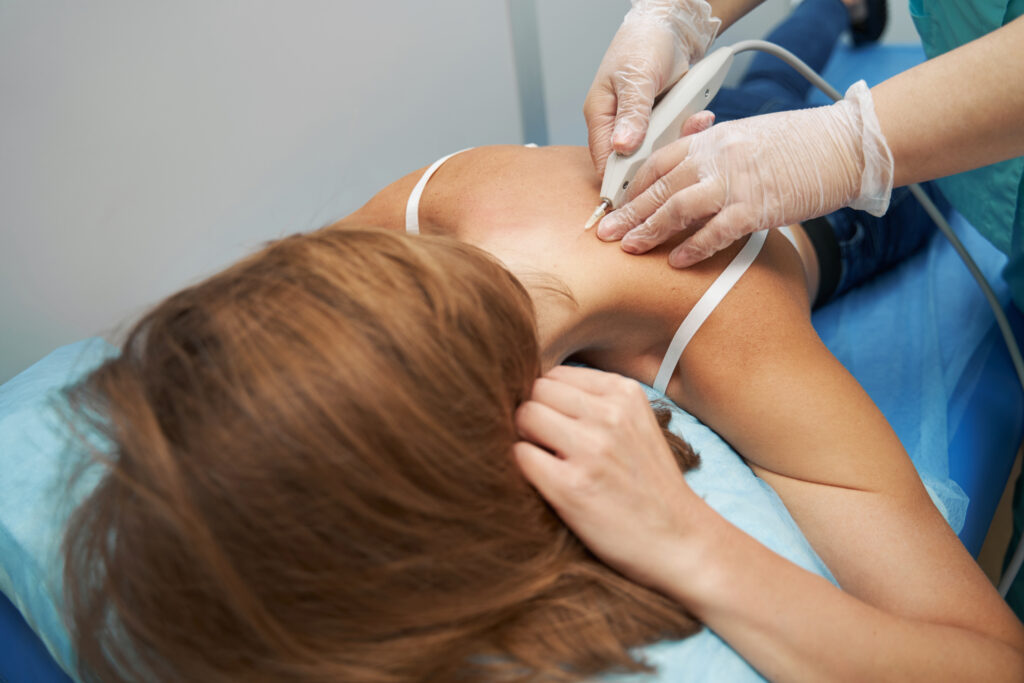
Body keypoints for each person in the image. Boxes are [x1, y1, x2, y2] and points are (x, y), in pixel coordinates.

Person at [62, 4, 1023, 681]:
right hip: (714, 136)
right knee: (774, 73)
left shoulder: (717, 330)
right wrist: (677, 13)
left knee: (888, 163)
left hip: (826, 226)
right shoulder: (419, 207)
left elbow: (987, 662)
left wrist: (692, 544)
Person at [585, 0, 1024, 312]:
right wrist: (675, 14)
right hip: (707, 139)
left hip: (772, 182)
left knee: (773, 85)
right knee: (770, 86)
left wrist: (846, 147)